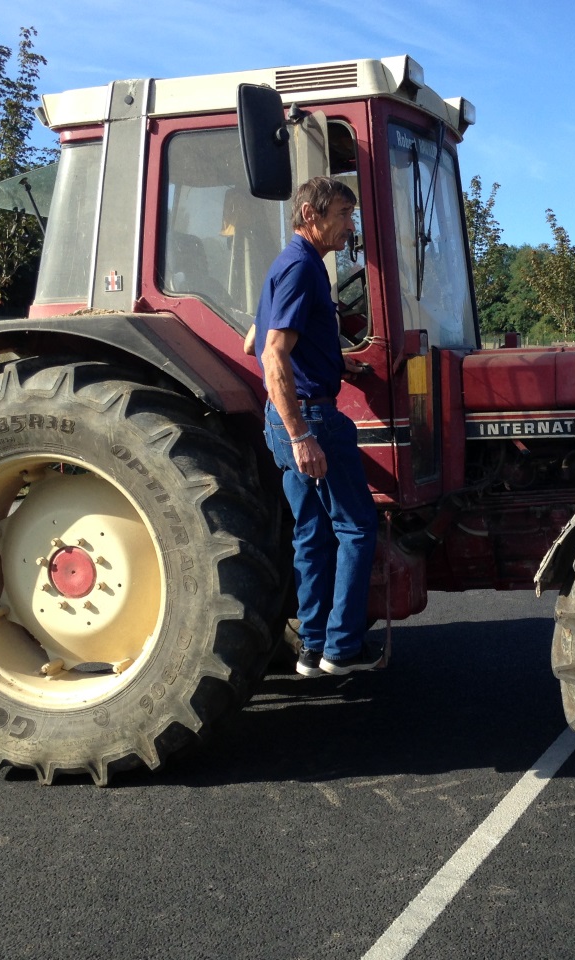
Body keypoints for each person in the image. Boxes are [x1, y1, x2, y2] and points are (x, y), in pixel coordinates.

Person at [256, 176, 381, 677]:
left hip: (290, 413)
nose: (350, 227)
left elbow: (254, 340)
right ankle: (342, 648)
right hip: (308, 419)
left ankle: (311, 648)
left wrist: (334, 364)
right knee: (357, 527)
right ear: (312, 215)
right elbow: (271, 354)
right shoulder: (302, 270)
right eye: (344, 215)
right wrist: (302, 435)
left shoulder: (286, 265)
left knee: (310, 532)